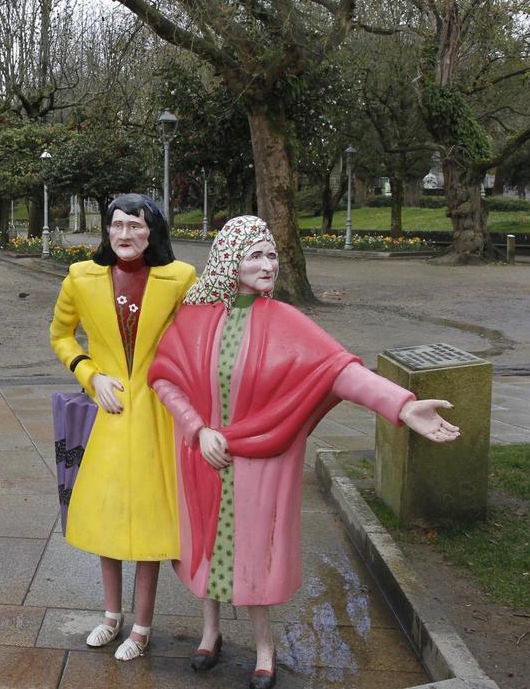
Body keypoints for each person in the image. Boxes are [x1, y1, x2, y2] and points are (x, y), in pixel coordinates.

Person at [148, 215, 460, 689]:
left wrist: (404, 406)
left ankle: (264, 648)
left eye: (272, 255)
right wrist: (196, 430)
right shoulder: (194, 318)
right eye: (256, 255)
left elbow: (341, 372)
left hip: (258, 461)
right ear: (231, 260)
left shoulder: (286, 321)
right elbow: (166, 379)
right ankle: (208, 633)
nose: (268, 264)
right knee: (206, 545)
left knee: (253, 552)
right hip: (201, 456)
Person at [49, 193, 196, 660]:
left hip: (157, 414)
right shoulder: (81, 278)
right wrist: (90, 375)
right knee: (109, 513)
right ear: (107, 231)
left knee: (151, 518)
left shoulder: (179, 279)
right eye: (118, 225)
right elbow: (60, 334)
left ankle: (143, 625)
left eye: (136, 225)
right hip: (109, 416)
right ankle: (112, 616)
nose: (126, 234)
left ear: (152, 232)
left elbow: (196, 339)